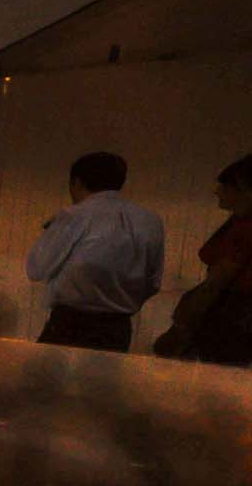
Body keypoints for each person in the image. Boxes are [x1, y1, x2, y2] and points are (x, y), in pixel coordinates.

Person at [25, 151, 165, 352]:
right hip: (117, 328)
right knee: (103, 383)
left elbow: (37, 269)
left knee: (48, 381)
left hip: (70, 324)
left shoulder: (74, 216)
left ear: (77, 182)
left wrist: (50, 231)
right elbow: (153, 282)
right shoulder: (150, 221)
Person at [155, 152, 252, 365]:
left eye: (226, 185)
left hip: (229, 321)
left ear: (244, 189)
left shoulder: (243, 230)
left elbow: (215, 284)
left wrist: (182, 327)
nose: (217, 191)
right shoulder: (239, 226)